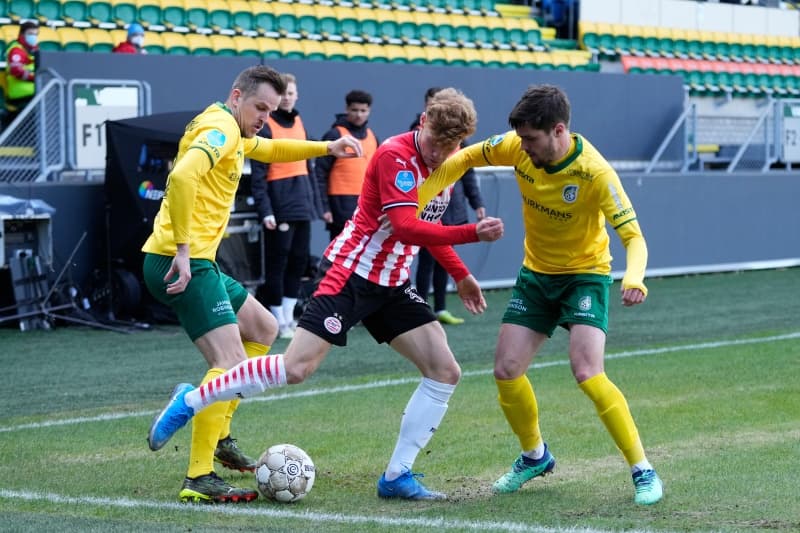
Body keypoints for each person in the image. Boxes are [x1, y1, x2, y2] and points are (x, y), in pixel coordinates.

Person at [147, 88, 505, 501]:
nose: (441, 154)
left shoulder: (446, 166)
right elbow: (406, 226)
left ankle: (396, 476)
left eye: (451, 147)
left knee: (445, 370)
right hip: (350, 274)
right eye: (436, 143)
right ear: (422, 122)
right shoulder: (396, 156)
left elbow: (426, 226)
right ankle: (191, 400)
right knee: (296, 368)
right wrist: (470, 234)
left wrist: (460, 274)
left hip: (392, 283)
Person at [416, 84, 664, 506]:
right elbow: (468, 156)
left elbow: (633, 237)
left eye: (531, 140)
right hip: (536, 275)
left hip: (585, 276)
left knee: (587, 371)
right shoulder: (517, 145)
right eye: (521, 139)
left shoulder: (595, 171)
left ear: (558, 130)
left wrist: (634, 277)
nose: (523, 148)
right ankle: (535, 456)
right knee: (506, 369)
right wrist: (419, 199)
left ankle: (643, 469)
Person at [141, 65, 362, 504]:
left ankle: (218, 433)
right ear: (237, 94)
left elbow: (269, 149)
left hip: (197, 261)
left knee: (262, 328)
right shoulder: (221, 126)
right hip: (180, 261)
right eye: (260, 107)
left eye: (272, 109)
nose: (265, 116)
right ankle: (198, 473)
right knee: (231, 363)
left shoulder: (233, 127)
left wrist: (327, 146)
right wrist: (183, 251)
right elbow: (182, 176)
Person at [250, 73, 322, 340]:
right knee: (277, 263)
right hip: (279, 206)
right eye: (284, 94)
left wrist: (314, 203)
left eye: (292, 93)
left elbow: (309, 166)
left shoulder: (301, 123)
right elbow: (258, 176)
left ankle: (289, 318)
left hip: (302, 204)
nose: (288, 98)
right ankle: (276, 318)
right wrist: (265, 210)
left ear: (297, 95)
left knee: (299, 261)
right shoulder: (267, 127)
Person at [411, 87, 486, 326]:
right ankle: (421, 305)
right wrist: (475, 233)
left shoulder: (460, 145)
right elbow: (403, 220)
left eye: (449, 144)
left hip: (451, 210)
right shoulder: (405, 149)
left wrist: (477, 203)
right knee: (425, 258)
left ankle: (440, 307)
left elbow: (468, 171)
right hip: (418, 217)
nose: (437, 153)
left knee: (443, 255)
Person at [315, 89, 378, 243]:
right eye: (354, 110)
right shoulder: (335, 135)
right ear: (346, 109)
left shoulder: (373, 136)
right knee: (339, 252)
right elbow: (320, 173)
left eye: (363, 110)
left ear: (369, 111)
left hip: (366, 205)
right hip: (339, 205)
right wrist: (324, 207)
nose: (359, 115)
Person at [2, 20, 39, 129]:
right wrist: (35, 77)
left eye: (36, 34)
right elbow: (16, 71)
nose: (34, 37)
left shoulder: (34, 49)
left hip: (34, 91)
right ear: (22, 35)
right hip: (19, 93)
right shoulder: (16, 50)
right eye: (31, 34)